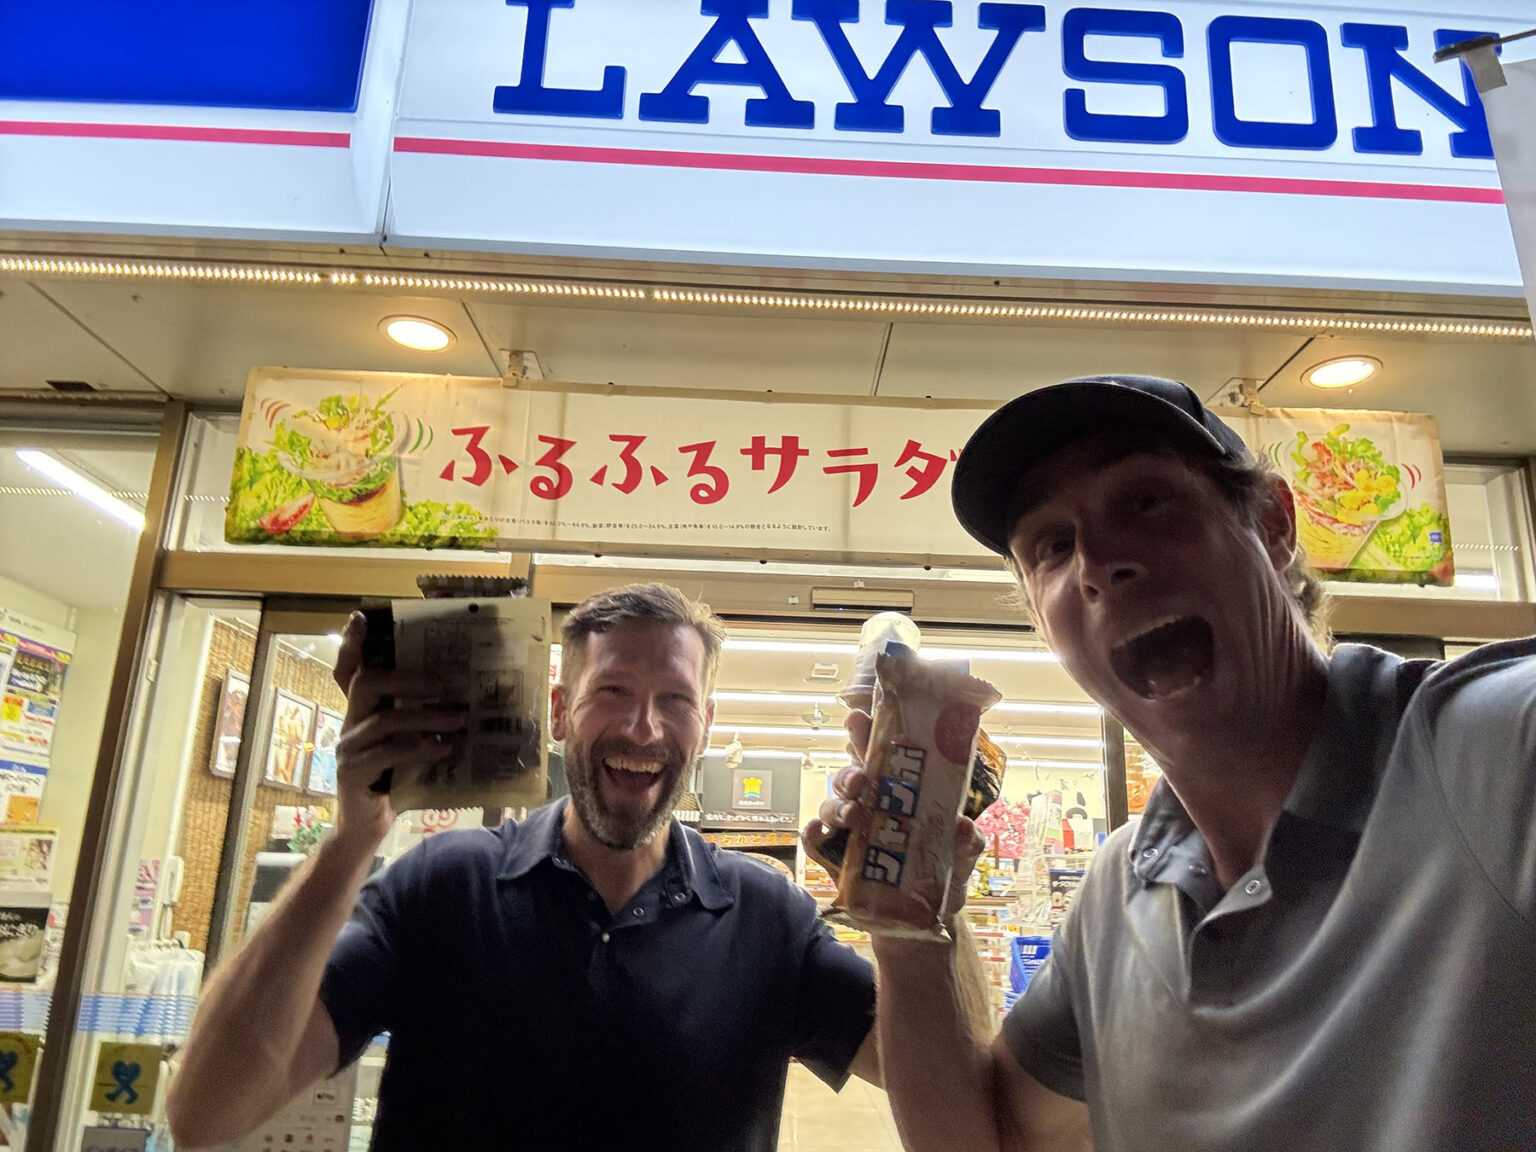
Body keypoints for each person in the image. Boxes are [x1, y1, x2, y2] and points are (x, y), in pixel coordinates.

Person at [812, 375, 1536, 1152]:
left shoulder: (1488, 755)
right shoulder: (1118, 901)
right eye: (1051, 547)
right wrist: (909, 911)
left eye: (1146, 501)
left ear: (1275, 524)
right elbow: (986, 1139)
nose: (1098, 563)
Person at [169, 583, 878, 1150]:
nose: (643, 729)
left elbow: (958, 1101)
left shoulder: (768, 917)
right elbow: (207, 1113)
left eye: (675, 701)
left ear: (707, 726)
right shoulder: (443, 887)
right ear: (561, 712)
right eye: (613, 692)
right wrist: (352, 840)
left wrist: (912, 889)